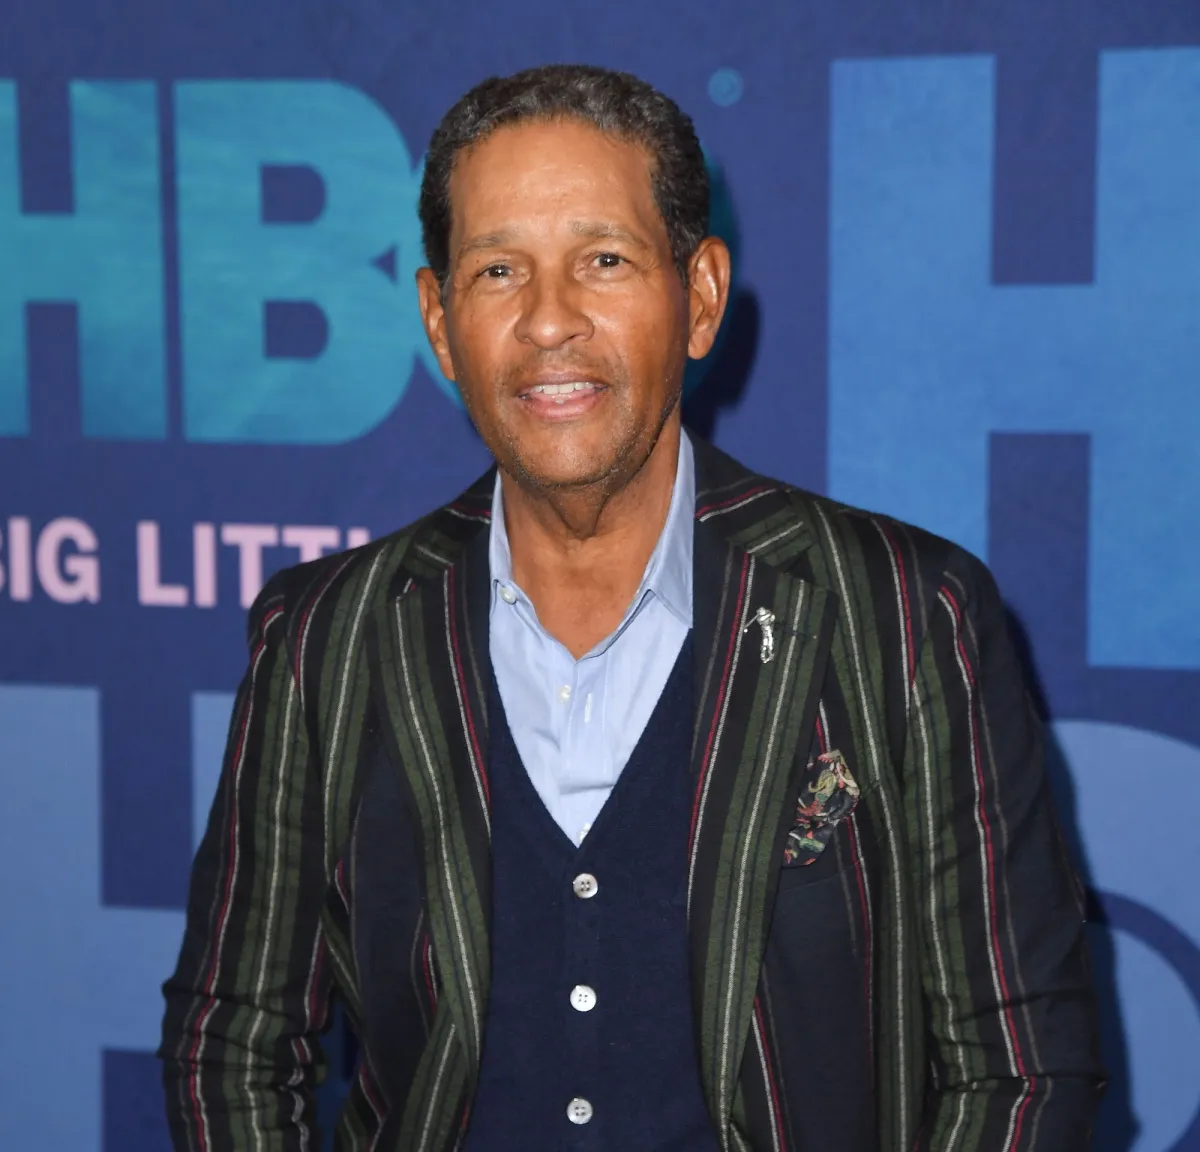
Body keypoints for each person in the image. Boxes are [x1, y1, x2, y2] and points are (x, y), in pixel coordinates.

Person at [159, 64, 1104, 1151]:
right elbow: (230, 1046)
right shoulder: (328, 636)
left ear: (699, 296)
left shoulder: (903, 614)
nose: (549, 321)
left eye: (603, 260)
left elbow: (1020, 1064)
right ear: (439, 321)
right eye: (498, 270)